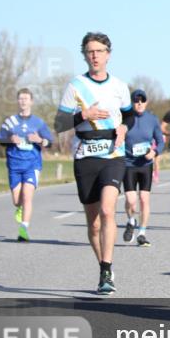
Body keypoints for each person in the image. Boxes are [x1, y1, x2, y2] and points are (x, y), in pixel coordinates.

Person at [55, 32, 133, 295]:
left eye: (99, 51)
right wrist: (83, 114)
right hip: (85, 155)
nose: (95, 55)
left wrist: (124, 127)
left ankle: (106, 271)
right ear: (84, 55)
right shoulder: (75, 86)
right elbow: (59, 124)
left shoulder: (119, 86)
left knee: (108, 211)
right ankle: (102, 264)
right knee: (94, 222)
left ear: (108, 54)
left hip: (113, 154)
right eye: (90, 51)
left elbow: (130, 116)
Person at [0, 88, 53, 242]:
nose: (23, 101)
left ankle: (23, 229)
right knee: (17, 201)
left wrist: (39, 140)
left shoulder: (38, 123)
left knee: (27, 197)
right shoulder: (10, 122)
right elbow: (0, 140)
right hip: (14, 164)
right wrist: (10, 139)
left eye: (26, 99)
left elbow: (49, 142)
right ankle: (20, 208)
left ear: (31, 102)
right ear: (17, 101)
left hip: (32, 165)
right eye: (20, 98)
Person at [122, 89, 165, 247]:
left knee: (144, 199)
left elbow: (160, 142)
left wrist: (154, 152)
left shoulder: (152, 119)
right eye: (136, 100)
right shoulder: (125, 119)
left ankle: (142, 233)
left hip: (145, 165)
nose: (139, 103)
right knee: (131, 200)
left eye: (142, 100)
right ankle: (131, 220)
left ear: (146, 102)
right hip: (128, 164)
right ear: (132, 103)